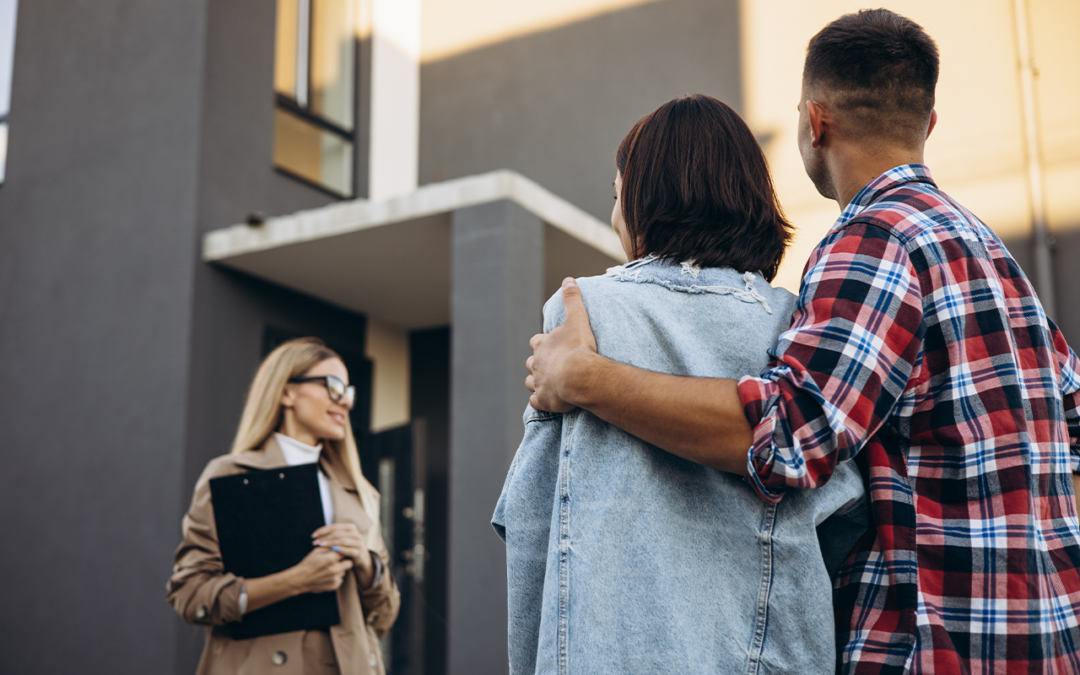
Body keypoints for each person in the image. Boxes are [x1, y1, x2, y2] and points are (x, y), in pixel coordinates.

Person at [526, 9, 1080, 673]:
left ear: (815, 123)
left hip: (929, 650)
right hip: (1048, 642)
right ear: (927, 124)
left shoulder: (875, 241)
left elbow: (788, 437)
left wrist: (583, 377)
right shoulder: (997, 260)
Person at [494, 94, 868, 674]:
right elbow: (842, 516)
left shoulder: (581, 314)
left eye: (618, 196)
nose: (616, 215)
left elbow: (532, 525)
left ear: (640, 201)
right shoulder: (797, 322)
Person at [168, 338, 399, 675]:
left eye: (348, 391)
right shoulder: (230, 476)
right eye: (333, 387)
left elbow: (384, 617)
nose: (345, 402)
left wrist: (366, 564)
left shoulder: (361, 494)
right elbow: (190, 595)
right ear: (287, 392)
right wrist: (296, 580)